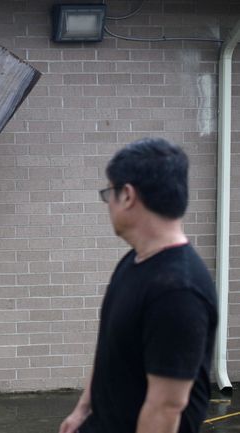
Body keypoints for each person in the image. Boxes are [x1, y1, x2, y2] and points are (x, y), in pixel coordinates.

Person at [59, 137, 217, 433]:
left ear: (128, 195)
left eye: (110, 193)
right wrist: (83, 409)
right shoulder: (134, 261)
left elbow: (165, 407)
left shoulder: (178, 292)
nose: (108, 204)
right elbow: (110, 348)